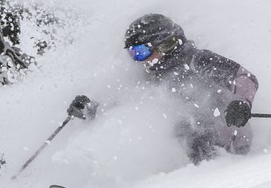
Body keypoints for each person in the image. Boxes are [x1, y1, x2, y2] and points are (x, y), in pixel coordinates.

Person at [67, 13, 259, 163]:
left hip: (230, 139)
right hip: (190, 152)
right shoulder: (152, 77)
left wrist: (241, 103)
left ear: (164, 44)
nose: (139, 60)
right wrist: (90, 109)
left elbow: (244, 77)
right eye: (134, 54)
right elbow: (128, 107)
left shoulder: (196, 60)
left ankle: (207, 175)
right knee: (151, 131)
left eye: (141, 52)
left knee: (190, 126)